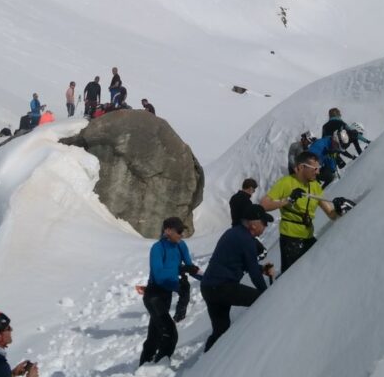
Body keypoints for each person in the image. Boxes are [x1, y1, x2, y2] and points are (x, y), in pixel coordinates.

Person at [200, 206, 275, 351]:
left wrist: (262, 269)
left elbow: (241, 263)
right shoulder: (246, 240)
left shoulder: (233, 233)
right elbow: (253, 272)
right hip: (223, 287)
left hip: (209, 287)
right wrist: (268, 295)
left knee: (220, 330)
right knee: (260, 301)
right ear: (253, 224)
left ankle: (205, 362)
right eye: (264, 223)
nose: (266, 226)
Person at [260, 151, 349, 273]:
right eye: (315, 169)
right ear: (301, 167)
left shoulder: (315, 186)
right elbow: (264, 204)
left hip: (308, 237)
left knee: (317, 270)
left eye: (318, 168)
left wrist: (339, 209)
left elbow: (331, 214)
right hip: (290, 240)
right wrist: (288, 200)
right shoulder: (286, 182)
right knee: (292, 277)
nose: (318, 172)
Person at [139, 217, 202, 365]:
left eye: (183, 231)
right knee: (169, 332)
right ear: (167, 231)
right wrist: (179, 275)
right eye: (179, 231)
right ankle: (158, 367)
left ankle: (144, 367)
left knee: (154, 335)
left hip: (166, 295)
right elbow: (159, 275)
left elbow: (190, 268)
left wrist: (210, 279)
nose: (182, 234)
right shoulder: (157, 248)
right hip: (154, 296)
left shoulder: (181, 246)